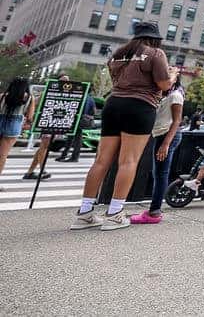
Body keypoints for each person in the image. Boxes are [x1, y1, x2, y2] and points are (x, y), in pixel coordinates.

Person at [71, 21, 177, 231]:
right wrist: (173, 75)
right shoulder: (156, 54)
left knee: (101, 161)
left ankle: (84, 213)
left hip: (113, 104)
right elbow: (164, 85)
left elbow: (115, 80)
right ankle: (115, 213)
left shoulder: (118, 54)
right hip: (140, 106)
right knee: (128, 161)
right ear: (155, 38)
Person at [130, 76, 185, 224]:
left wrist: (166, 144)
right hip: (161, 135)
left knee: (161, 174)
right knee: (158, 173)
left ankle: (154, 212)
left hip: (168, 136)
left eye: (169, 78)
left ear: (175, 80)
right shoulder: (166, 95)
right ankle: (154, 210)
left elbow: (177, 121)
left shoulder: (175, 95)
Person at [23, 75, 72, 181]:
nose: (65, 83)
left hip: (57, 122)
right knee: (44, 146)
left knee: (43, 147)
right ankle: (42, 169)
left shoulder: (67, 94)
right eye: (62, 80)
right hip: (47, 122)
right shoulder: (49, 91)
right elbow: (35, 102)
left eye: (67, 81)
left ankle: (30, 172)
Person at [0, 78, 34, 187]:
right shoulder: (29, 98)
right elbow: (30, 117)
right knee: (2, 156)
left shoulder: (3, 96)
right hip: (14, 125)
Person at [56, 92, 96, 163]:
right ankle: (65, 155)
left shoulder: (81, 97)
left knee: (75, 138)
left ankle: (74, 157)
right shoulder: (90, 98)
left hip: (78, 119)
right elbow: (93, 111)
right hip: (83, 119)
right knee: (71, 137)